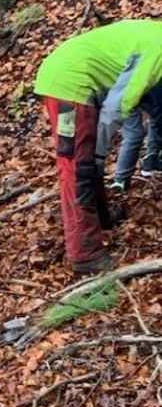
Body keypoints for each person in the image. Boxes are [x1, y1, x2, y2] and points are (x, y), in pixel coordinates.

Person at [34, 19, 162, 274]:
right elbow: (118, 105)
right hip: (69, 84)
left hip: (70, 71)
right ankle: (85, 253)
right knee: (78, 169)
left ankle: (101, 218)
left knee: (87, 163)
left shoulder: (155, 34)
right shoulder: (158, 49)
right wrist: (100, 154)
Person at [110, 105, 162, 191]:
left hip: (123, 98)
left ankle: (151, 161)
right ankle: (120, 180)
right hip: (128, 100)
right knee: (134, 134)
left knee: (154, 120)